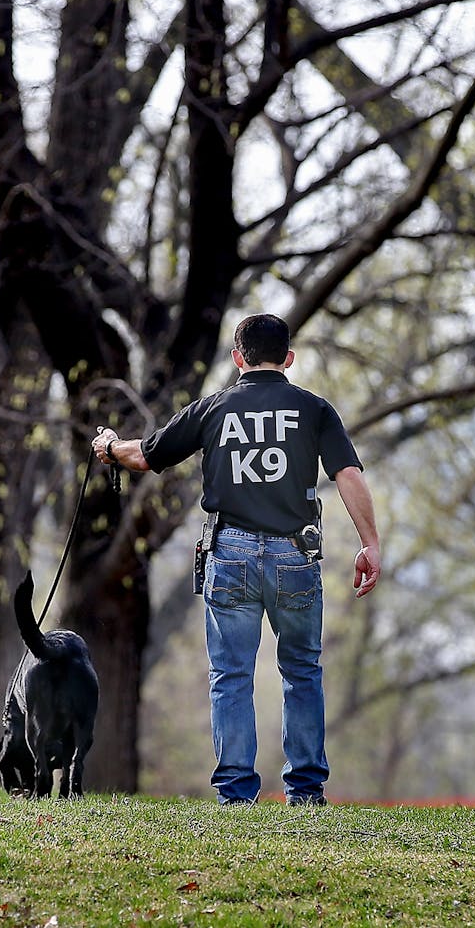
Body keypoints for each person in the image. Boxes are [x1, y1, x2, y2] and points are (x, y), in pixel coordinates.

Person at [92, 312, 380, 806]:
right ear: (288, 359)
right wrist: (370, 542)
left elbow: (146, 455)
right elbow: (348, 473)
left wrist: (108, 446)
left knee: (231, 675)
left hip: (231, 555)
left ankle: (236, 794)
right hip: (296, 554)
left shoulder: (213, 409)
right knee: (303, 672)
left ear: (236, 358)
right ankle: (306, 792)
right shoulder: (313, 409)